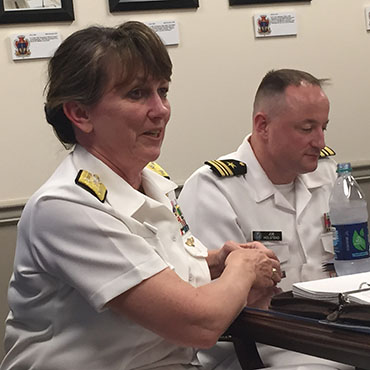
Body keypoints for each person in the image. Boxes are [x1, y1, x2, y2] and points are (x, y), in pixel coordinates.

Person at [1, 22, 283, 370]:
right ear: (80, 113)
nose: (161, 109)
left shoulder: (150, 181)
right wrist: (244, 268)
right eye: (137, 94)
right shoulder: (66, 205)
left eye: (162, 91)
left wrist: (216, 262)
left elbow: (160, 272)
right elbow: (197, 322)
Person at [178, 69, 352, 369]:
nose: (319, 141)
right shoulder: (215, 188)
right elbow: (209, 301)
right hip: (253, 346)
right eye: (307, 128)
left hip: (334, 334)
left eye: (324, 127)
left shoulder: (327, 174)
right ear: (263, 126)